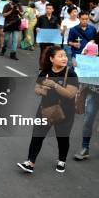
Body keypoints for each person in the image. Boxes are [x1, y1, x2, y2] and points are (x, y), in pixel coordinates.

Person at [17, 46, 78, 174]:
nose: (64, 58)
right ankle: (30, 162)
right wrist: (43, 91)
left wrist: (55, 85)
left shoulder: (71, 73)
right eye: (60, 56)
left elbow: (70, 94)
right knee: (37, 136)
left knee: (62, 137)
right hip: (45, 110)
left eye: (65, 56)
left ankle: (62, 160)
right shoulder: (45, 72)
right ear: (51, 59)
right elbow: (36, 89)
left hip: (65, 112)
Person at [36, 4, 61, 68]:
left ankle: (49, 66)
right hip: (43, 38)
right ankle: (41, 67)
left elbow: (56, 29)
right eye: (47, 8)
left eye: (50, 8)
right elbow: (37, 26)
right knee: (43, 52)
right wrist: (37, 28)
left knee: (50, 52)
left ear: (53, 10)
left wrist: (59, 31)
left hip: (51, 39)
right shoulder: (41, 18)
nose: (48, 10)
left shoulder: (55, 18)